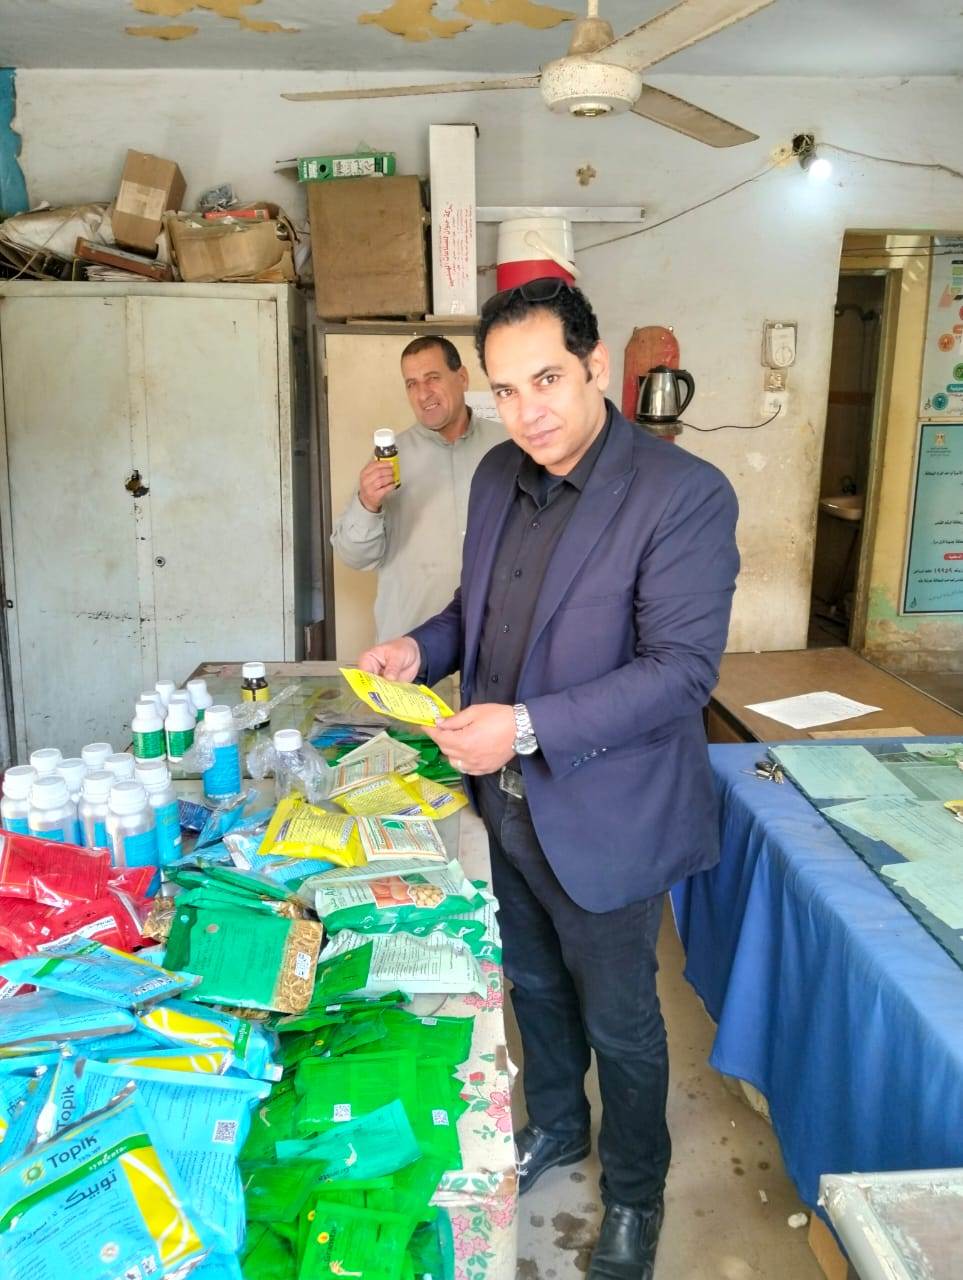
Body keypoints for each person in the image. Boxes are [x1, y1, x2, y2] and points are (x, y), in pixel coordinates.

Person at [358, 280, 739, 1280]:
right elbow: (475, 612)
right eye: (505, 389)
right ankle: (559, 1126)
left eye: (547, 379)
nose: (527, 410)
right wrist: (419, 646)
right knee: (530, 984)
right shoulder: (497, 476)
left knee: (621, 1018)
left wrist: (523, 726)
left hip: (606, 813)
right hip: (505, 805)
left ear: (595, 366)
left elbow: (681, 671)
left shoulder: (681, 493)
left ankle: (637, 1191)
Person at [331, 335, 504, 640]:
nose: (423, 394)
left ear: (462, 378)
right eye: (411, 384)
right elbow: (354, 556)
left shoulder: (509, 447)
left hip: (493, 643)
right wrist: (367, 504)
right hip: (413, 646)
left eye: (432, 378)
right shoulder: (389, 460)